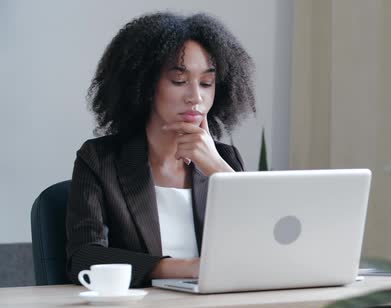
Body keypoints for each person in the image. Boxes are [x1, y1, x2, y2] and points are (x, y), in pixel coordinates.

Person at [65, 12, 255, 287]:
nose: (195, 97)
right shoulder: (100, 159)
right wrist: (188, 268)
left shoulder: (225, 160)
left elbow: (260, 247)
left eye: (206, 83)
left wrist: (218, 170)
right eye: (179, 80)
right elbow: (83, 258)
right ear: (143, 85)